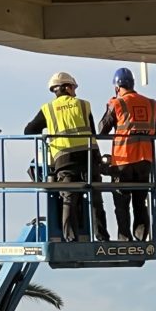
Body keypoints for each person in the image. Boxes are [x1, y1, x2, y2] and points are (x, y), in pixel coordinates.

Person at [25, 72, 110, 242]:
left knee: (68, 199)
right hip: (88, 158)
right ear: (68, 88)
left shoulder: (48, 109)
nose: (75, 91)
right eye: (74, 87)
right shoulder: (84, 105)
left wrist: (48, 137)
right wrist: (99, 160)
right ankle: (102, 237)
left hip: (64, 161)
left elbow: (29, 131)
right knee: (95, 199)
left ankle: (70, 238)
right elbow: (92, 133)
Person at [98, 68, 156, 242]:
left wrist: (110, 105)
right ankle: (141, 237)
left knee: (121, 202)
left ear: (117, 87)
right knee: (140, 201)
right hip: (145, 161)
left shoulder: (117, 104)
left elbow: (101, 129)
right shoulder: (151, 104)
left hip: (123, 161)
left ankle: (124, 239)